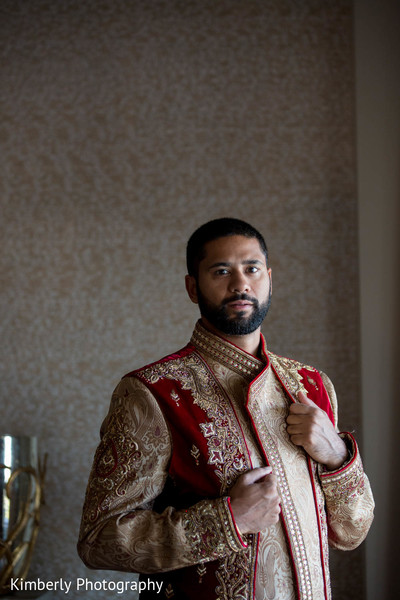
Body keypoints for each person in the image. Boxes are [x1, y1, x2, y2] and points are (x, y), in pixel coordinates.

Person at [77, 218, 374, 600]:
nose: (240, 284)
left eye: (251, 269)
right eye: (221, 271)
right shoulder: (153, 393)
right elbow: (99, 538)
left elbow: (352, 532)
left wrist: (336, 455)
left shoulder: (313, 385)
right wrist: (229, 520)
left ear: (269, 278)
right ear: (192, 286)